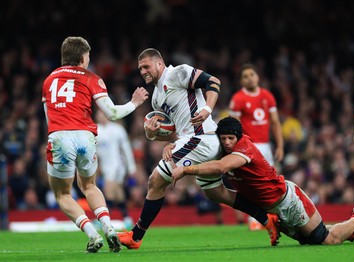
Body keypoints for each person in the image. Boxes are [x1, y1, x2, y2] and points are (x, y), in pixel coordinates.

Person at [117, 48, 279, 249]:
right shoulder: (157, 97)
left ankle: (136, 235)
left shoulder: (178, 73)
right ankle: (266, 219)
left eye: (146, 66)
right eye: (140, 68)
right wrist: (151, 133)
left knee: (155, 180)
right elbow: (172, 131)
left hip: (202, 138)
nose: (143, 71)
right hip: (192, 140)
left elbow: (213, 82)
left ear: (159, 63)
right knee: (216, 193)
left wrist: (207, 109)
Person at [172, 117, 354, 246]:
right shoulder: (222, 146)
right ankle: (350, 233)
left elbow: (221, 167)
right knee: (308, 240)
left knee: (327, 241)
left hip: (287, 201)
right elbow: (202, 139)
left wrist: (186, 169)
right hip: (272, 210)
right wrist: (173, 143)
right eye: (223, 138)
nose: (226, 143)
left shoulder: (244, 148)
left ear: (238, 137)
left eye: (230, 138)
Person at [42, 36, 149, 253]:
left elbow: (48, 118)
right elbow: (111, 113)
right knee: (89, 185)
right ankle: (109, 228)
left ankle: (93, 234)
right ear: (82, 57)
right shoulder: (92, 78)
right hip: (86, 136)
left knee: (63, 194)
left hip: (60, 136)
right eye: (88, 56)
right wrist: (134, 103)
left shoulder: (48, 80)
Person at [229, 63, 284, 230]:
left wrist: (280, 146)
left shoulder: (267, 96)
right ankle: (254, 219)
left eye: (251, 74)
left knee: (270, 182)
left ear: (257, 76)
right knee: (251, 183)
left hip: (266, 146)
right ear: (241, 81)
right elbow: (233, 127)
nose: (249, 78)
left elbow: (275, 122)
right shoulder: (238, 99)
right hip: (248, 146)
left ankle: (274, 216)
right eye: (245, 76)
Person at [96, 110, 136, 228]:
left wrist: (131, 167)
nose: (100, 116)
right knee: (118, 193)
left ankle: (103, 220)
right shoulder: (95, 129)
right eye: (99, 113)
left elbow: (126, 149)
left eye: (103, 113)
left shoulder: (118, 129)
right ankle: (126, 217)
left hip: (117, 165)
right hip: (105, 165)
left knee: (108, 190)